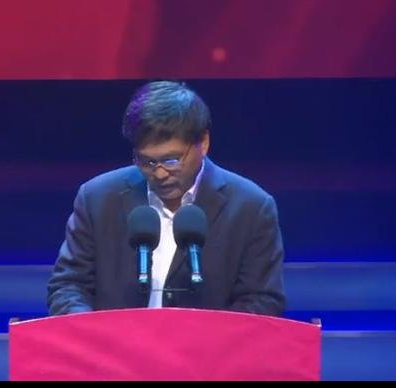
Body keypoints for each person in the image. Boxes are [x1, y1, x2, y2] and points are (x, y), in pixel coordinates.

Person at [47, 80, 285, 316]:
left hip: (208, 341)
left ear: (203, 142)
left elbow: (262, 300)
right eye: (147, 161)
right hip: (111, 340)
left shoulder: (251, 207)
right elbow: (68, 286)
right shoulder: (97, 198)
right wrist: (92, 331)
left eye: (171, 160)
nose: (160, 173)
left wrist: (206, 337)